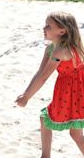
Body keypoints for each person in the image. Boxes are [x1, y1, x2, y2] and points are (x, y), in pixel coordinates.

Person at [15, 11, 84, 157]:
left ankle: (45, 156)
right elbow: (40, 73)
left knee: (46, 119)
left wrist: (27, 98)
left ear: (62, 31)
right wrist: (25, 93)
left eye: (48, 26)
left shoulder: (61, 51)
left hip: (73, 92)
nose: (44, 28)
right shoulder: (51, 49)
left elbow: (44, 77)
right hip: (72, 90)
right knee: (75, 134)